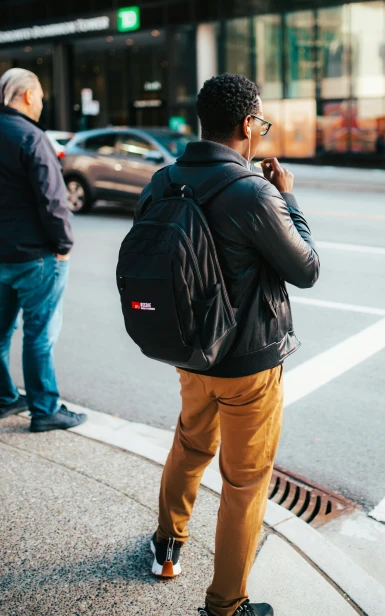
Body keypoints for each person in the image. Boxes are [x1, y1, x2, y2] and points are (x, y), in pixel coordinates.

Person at [135, 74, 320, 616]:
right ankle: (226, 605)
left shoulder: (163, 181)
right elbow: (306, 268)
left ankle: (167, 546)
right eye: (260, 122)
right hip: (247, 365)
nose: (261, 132)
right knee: (244, 482)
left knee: (190, 446)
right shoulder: (252, 191)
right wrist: (289, 198)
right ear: (245, 125)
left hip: (190, 356)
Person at [0, 68, 86, 432]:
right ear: (27, 96)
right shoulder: (31, 138)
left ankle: (5, 398)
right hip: (36, 257)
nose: (41, 102)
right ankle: (44, 409)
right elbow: (53, 202)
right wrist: (64, 245)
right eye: (40, 96)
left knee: (1, 334)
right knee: (39, 335)